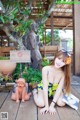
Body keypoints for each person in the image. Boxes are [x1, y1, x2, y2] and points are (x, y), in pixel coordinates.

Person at [33, 50, 71, 115]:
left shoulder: (62, 74)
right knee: (41, 104)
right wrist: (47, 106)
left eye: (63, 61)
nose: (59, 62)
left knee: (61, 103)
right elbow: (45, 88)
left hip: (55, 91)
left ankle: (61, 94)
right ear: (55, 57)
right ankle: (34, 93)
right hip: (44, 89)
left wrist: (52, 105)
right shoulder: (46, 69)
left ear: (65, 64)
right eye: (59, 59)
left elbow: (58, 90)